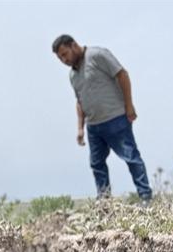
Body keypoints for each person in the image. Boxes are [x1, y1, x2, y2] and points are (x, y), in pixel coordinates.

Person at [52, 35, 152, 202]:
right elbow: (80, 101)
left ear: (74, 45)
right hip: (93, 126)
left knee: (131, 157)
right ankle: (105, 203)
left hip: (116, 119)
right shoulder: (73, 76)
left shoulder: (97, 55)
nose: (64, 60)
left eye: (64, 54)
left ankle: (145, 198)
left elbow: (122, 74)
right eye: (60, 58)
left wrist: (129, 105)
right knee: (97, 164)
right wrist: (80, 128)